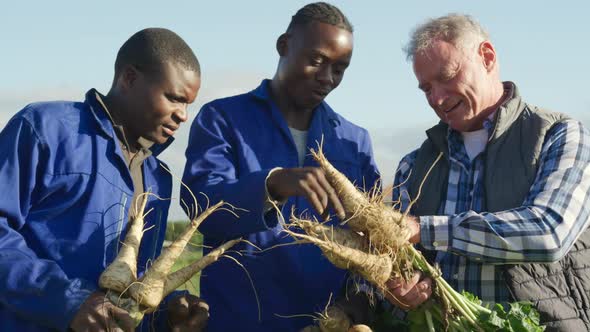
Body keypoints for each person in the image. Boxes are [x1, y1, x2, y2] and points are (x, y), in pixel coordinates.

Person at [181, 2, 380, 331]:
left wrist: (360, 301)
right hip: (239, 321)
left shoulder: (354, 141)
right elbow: (201, 208)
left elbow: (370, 242)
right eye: (316, 60)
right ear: (284, 45)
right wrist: (272, 184)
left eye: (340, 68)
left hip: (326, 324)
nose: (327, 78)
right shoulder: (223, 119)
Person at [387, 13, 590, 331]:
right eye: (426, 88)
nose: (437, 98)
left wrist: (424, 230)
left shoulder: (558, 135)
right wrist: (399, 288)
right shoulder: (414, 166)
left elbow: (550, 233)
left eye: (447, 76)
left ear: (487, 57)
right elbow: (389, 261)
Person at [0, 28, 207, 331]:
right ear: (130, 78)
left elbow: (131, 287)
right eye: (174, 98)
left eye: (188, 104)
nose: (183, 115)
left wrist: (166, 312)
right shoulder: (45, 129)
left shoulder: (158, 179)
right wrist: (67, 302)